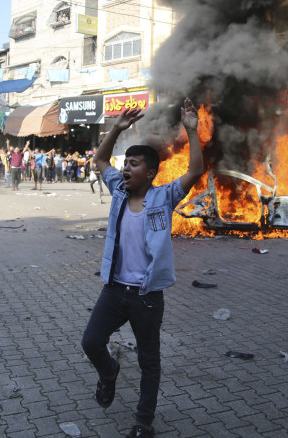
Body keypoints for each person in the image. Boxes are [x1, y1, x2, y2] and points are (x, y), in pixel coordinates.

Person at [81, 99, 203, 438]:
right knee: (91, 341)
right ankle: (109, 373)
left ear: (150, 173)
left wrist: (192, 131)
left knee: (150, 361)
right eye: (125, 164)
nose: (124, 169)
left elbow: (194, 172)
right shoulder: (118, 192)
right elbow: (100, 160)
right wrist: (116, 128)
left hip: (147, 296)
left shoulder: (164, 197)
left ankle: (143, 421)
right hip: (114, 289)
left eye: (132, 164)